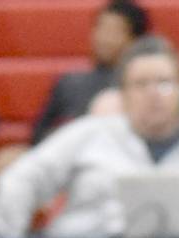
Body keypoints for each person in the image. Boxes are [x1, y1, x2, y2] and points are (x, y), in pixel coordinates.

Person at [0, 36, 179, 238]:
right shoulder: (89, 134)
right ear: (123, 94)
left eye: (164, 83)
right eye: (141, 84)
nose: (153, 94)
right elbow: (19, 181)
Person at [31, 0, 150, 146]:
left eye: (115, 31)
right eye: (101, 28)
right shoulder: (69, 83)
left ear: (135, 40)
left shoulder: (144, 88)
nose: (104, 38)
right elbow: (38, 134)